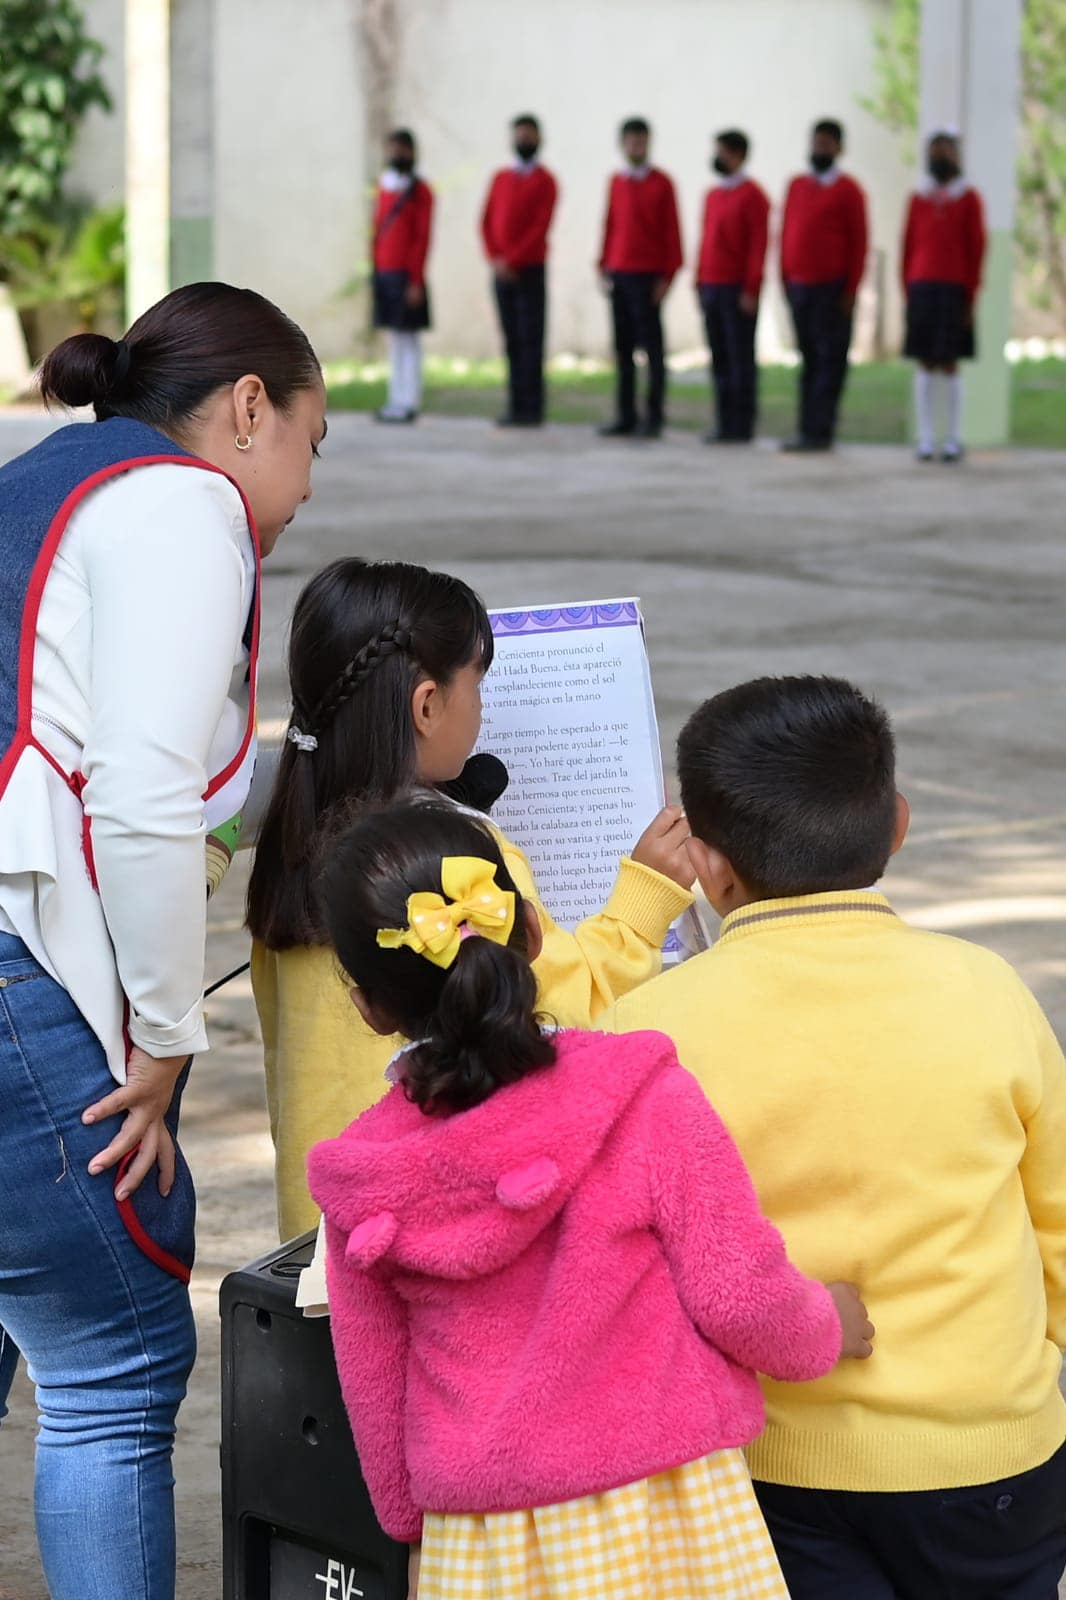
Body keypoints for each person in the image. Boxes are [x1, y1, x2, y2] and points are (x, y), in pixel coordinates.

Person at [306, 801, 874, 1600]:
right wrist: (826, 1329)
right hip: (670, 1508)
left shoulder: (361, 1173)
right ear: (532, 933)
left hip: (485, 1539)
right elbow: (739, 1296)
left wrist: (413, 1522)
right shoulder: (642, 1093)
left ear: (368, 1006)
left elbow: (375, 1384)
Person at [0, 282, 324, 1600]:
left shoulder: (52, 476)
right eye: (312, 441)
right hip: (24, 972)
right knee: (113, 1361)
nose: (305, 487)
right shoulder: (187, 503)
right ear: (248, 410)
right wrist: (162, 1034)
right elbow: (134, 796)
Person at [607, 675, 1066, 1599]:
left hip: (763, 1467)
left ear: (709, 865)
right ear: (897, 825)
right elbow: (1055, 1225)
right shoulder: (990, 992)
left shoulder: (644, 1030)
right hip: (993, 1454)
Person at [245, 558, 695, 1241]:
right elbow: (563, 1017)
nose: (481, 709)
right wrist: (646, 895)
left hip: (329, 1231)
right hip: (447, 1226)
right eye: (477, 687)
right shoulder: (457, 858)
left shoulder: (292, 835)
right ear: (428, 705)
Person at [780, 120, 868, 451]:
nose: (820, 149)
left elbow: (859, 243)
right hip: (800, 287)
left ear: (839, 149)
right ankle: (805, 428)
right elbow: (786, 233)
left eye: (827, 143)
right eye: (816, 142)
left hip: (832, 290)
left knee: (831, 361)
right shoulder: (796, 186)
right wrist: (785, 278)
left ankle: (822, 430)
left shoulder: (849, 191)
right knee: (807, 362)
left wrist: (850, 290)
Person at [902, 131, 986, 463]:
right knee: (925, 361)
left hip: (954, 290)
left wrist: (970, 297)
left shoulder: (969, 199)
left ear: (957, 157)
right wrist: (907, 289)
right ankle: (925, 439)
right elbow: (907, 248)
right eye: (934, 152)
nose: (940, 158)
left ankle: (952, 438)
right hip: (922, 287)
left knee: (949, 363)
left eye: (946, 152)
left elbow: (977, 251)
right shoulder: (918, 199)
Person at [598, 117, 683, 439]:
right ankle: (626, 415)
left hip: (648, 277)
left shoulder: (662, 183)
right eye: (632, 142)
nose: (637, 147)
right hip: (619, 273)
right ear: (622, 145)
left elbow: (672, 232)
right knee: (623, 351)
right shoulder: (617, 182)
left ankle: (655, 415)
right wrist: (603, 264)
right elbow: (610, 224)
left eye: (642, 142)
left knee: (653, 351)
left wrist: (667, 277)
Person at [480, 114, 559, 428]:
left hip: (529, 271)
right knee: (511, 339)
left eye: (529, 135)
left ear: (539, 139)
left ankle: (533, 408)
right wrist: (496, 258)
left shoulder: (546, 181)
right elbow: (486, 221)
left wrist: (513, 259)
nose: (524, 140)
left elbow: (540, 226)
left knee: (531, 339)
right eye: (520, 135)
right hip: (501, 272)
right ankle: (515, 405)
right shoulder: (500, 178)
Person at [696, 128, 770, 445]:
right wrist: (698, 279)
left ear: (737, 155)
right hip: (711, 285)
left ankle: (742, 423)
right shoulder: (713, 194)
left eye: (722, 151)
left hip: (736, 289)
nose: (717, 157)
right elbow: (706, 241)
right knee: (719, 358)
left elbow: (758, 247)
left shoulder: (754, 196)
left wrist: (751, 289)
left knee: (740, 358)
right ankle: (724, 421)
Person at [372, 128, 434, 424]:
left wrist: (416, 280)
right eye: (391, 148)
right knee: (395, 340)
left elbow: (422, 238)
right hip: (385, 273)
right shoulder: (384, 188)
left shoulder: (419, 191)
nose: (396, 155)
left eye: (401, 149)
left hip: (407, 276)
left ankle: (409, 400)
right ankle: (394, 399)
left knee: (409, 340)